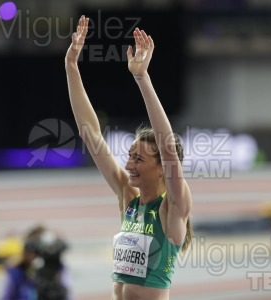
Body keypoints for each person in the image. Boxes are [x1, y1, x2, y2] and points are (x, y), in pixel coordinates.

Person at [65, 15, 193, 300]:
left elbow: (169, 150)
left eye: (139, 159)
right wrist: (72, 67)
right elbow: (91, 134)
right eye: (129, 156)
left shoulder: (171, 210)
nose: (128, 165)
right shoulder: (128, 199)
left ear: (161, 169)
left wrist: (142, 78)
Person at [0, 225, 70, 300]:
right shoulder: (16, 272)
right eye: (33, 250)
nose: (36, 256)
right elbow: (6, 296)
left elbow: (68, 294)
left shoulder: (57, 269)